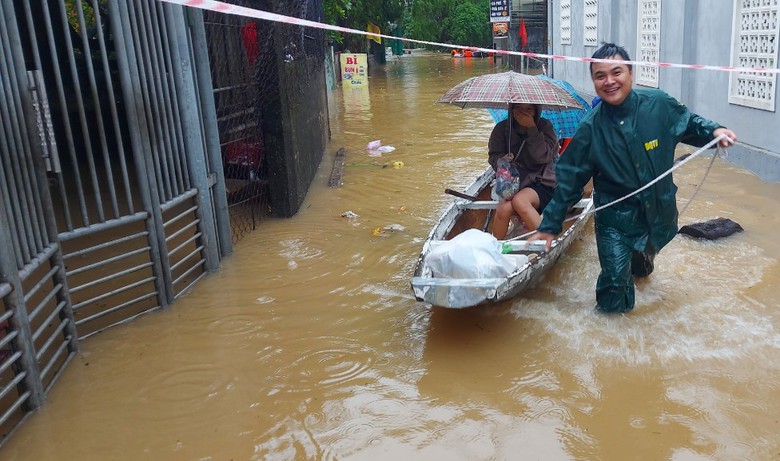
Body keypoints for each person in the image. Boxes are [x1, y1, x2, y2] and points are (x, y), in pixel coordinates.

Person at [536, 43, 737, 314]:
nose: (609, 81)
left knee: (641, 268)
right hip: (614, 220)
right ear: (594, 82)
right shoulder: (590, 129)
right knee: (614, 285)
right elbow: (569, 180)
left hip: (657, 212)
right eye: (600, 76)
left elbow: (687, 123)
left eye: (616, 72)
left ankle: (640, 268)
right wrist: (550, 224)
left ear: (630, 73)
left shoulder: (658, 104)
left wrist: (714, 132)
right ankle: (613, 330)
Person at [488, 103, 559, 239]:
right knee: (503, 209)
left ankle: (545, 241)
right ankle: (495, 246)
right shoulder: (502, 129)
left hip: (542, 182)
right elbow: (493, 157)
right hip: (512, 184)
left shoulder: (544, 126)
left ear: (536, 111)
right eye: (518, 108)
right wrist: (502, 160)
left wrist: (532, 128)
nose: (523, 113)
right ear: (512, 109)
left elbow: (542, 157)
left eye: (529, 109)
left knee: (520, 201)